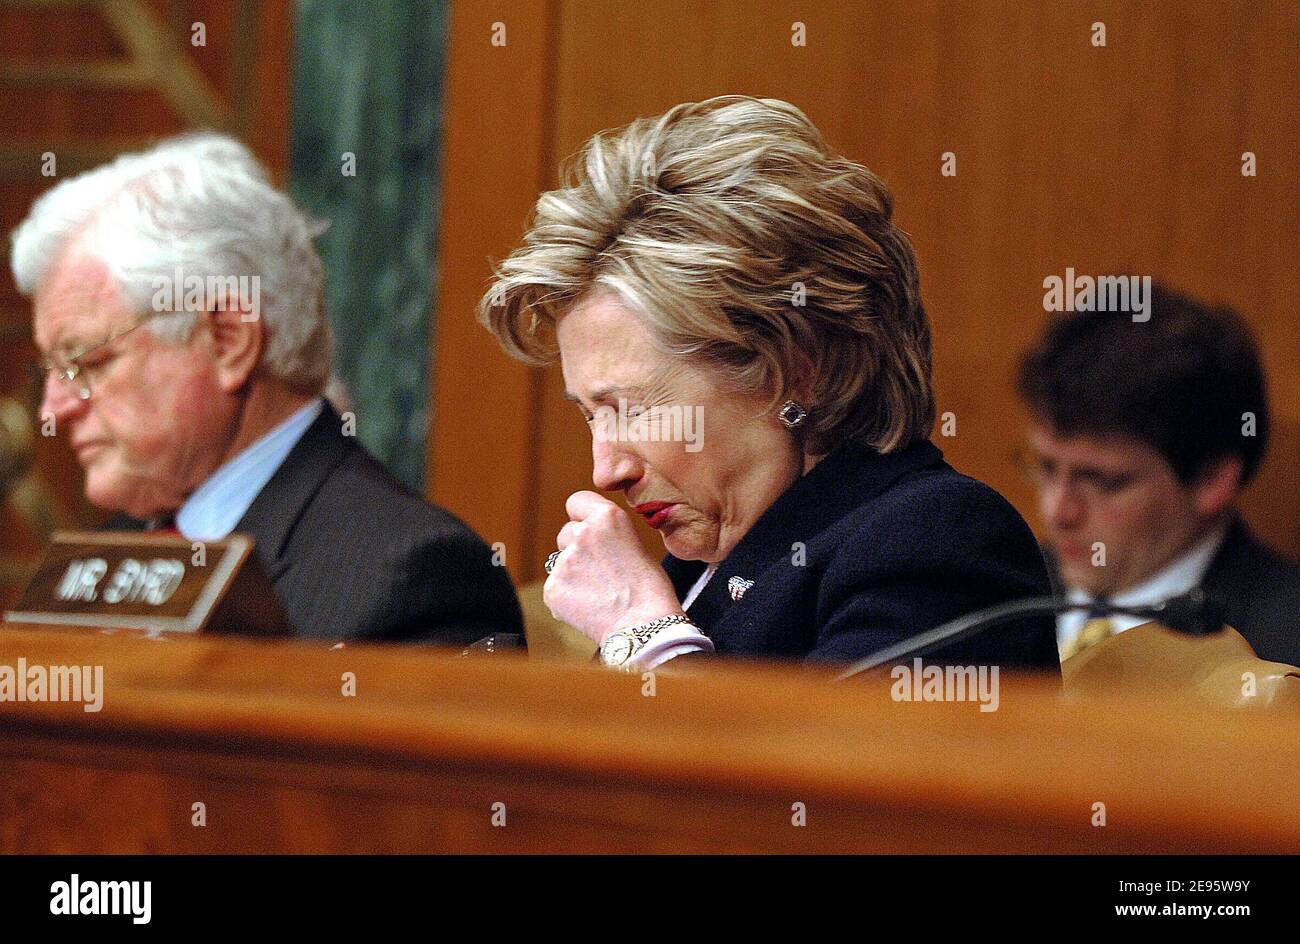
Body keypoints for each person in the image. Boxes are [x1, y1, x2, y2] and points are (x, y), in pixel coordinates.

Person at [479, 95, 1058, 673]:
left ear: (799, 371)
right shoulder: (698, 568)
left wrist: (642, 632)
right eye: (590, 415)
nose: (607, 472)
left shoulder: (935, 542)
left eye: (632, 410)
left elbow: (809, 764)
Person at [12, 133, 522, 646]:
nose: (53, 409)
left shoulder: (414, 576)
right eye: (51, 370)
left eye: (86, 362)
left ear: (228, 341)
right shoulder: (104, 558)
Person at [1017, 282, 1300, 665]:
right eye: (1047, 468)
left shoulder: (1283, 648)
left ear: (1211, 480)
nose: (1057, 511)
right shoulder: (993, 596)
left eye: (1102, 481)